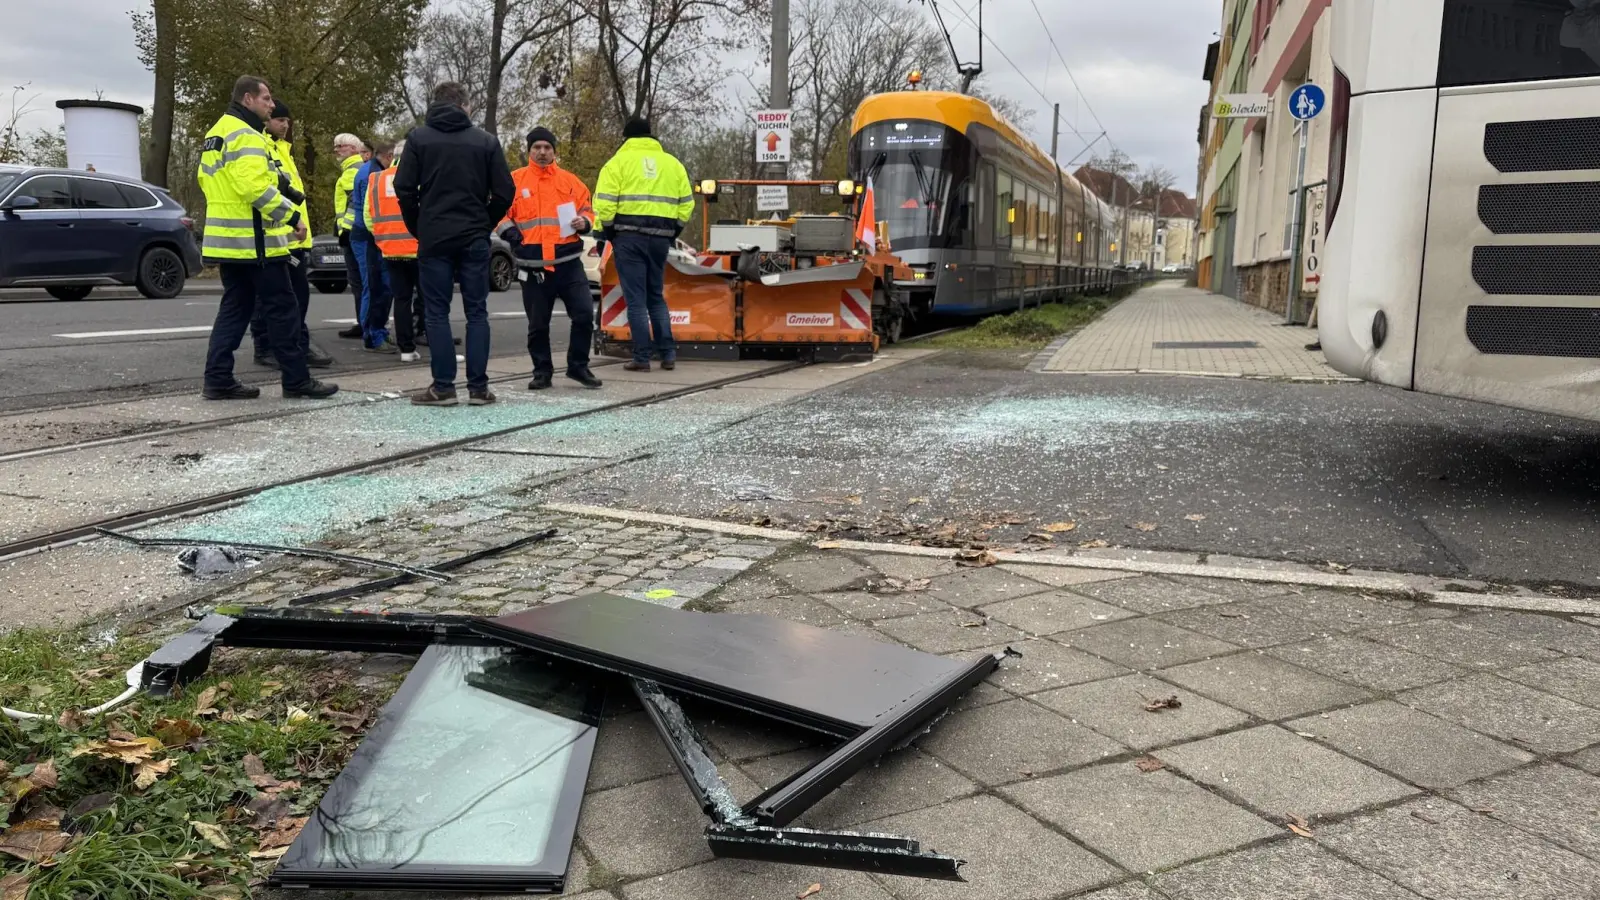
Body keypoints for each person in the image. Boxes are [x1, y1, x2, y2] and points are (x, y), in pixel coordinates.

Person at [196, 75, 337, 401]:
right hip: (255, 242)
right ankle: (297, 379)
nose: (272, 105)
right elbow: (254, 188)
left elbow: (220, 183)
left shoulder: (216, 133)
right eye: (267, 99)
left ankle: (217, 378)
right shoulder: (246, 135)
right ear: (248, 99)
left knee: (235, 308)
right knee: (283, 309)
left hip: (227, 241)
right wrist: (290, 216)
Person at [394, 81, 515, 407]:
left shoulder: (418, 139)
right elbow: (505, 191)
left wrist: (419, 226)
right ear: (466, 106)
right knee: (477, 312)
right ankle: (478, 389)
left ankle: (443, 387)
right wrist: (483, 223)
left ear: (435, 104)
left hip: (434, 238)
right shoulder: (486, 141)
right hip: (474, 238)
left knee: (436, 313)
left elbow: (403, 187)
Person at [499, 126, 603, 391]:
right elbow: (498, 212)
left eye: (547, 148)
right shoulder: (515, 181)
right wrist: (510, 232)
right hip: (533, 267)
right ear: (529, 150)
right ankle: (542, 371)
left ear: (554, 151)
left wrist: (586, 222)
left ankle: (578, 366)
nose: (542, 152)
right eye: (537, 148)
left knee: (582, 315)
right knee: (538, 325)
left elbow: (590, 210)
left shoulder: (571, 181)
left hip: (568, 263)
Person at [593, 117, 694, 371]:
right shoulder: (673, 164)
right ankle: (668, 354)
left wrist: (607, 232)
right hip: (660, 239)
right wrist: (672, 232)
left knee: (636, 300)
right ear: (651, 137)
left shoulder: (616, 163)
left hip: (628, 238)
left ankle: (641, 357)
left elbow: (604, 205)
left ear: (626, 138)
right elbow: (687, 206)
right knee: (656, 297)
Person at [251, 99, 333, 370]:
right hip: (278, 238)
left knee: (298, 296)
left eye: (287, 121)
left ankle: (297, 342)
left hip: (296, 238)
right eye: (280, 120)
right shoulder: (262, 146)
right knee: (270, 298)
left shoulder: (284, 149)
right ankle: (265, 347)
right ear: (267, 121)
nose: (285, 125)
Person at [366, 140, 423, 362]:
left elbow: (368, 217)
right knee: (430, 300)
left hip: (389, 249)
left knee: (401, 299)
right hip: (419, 249)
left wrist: (383, 238)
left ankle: (406, 350)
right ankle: (437, 347)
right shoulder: (420, 178)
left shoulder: (376, 179)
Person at [352, 139, 397, 354]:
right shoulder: (372, 174)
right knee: (375, 286)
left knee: (381, 287)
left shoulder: (371, 171)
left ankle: (376, 331)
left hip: (372, 235)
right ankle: (372, 334)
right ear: (388, 156)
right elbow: (369, 211)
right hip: (369, 237)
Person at [332, 133, 366, 339]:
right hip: (354, 233)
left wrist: (345, 230)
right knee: (359, 281)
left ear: (353, 149)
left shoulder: (353, 171)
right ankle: (363, 322)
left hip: (353, 234)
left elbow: (355, 205)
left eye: (340, 146)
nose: (336, 149)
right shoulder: (353, 169)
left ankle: (364, 324)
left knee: (359, 281)